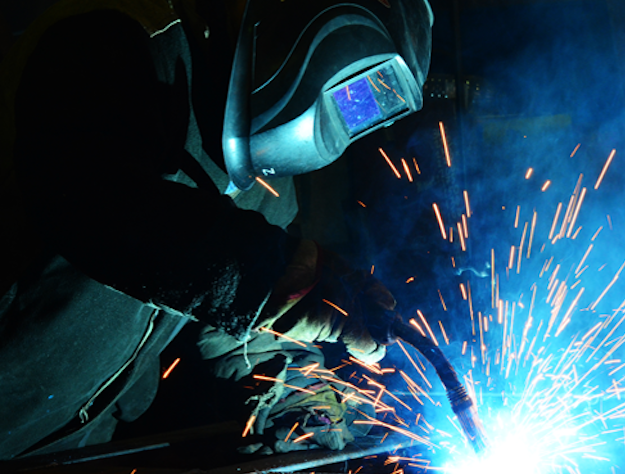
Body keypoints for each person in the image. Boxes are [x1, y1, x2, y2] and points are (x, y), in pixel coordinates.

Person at [0, 0, 432, 459]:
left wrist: (297, 395)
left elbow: (238, 327)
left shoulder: (269, 181)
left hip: (77, 443)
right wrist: (277, 278)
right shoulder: (120, 43)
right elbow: (99, 206)